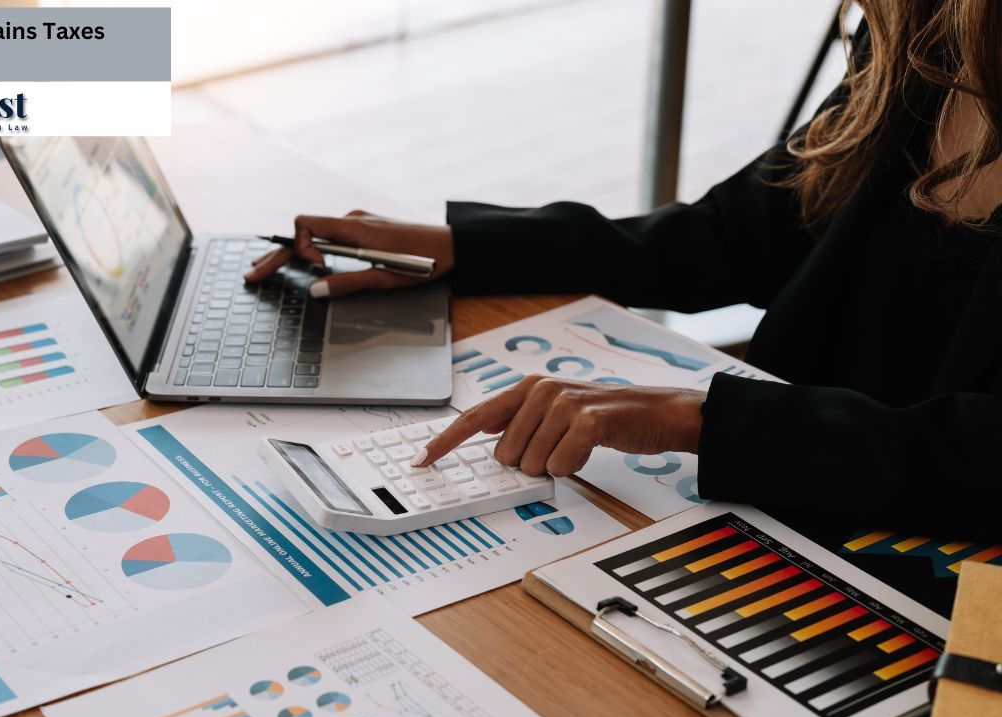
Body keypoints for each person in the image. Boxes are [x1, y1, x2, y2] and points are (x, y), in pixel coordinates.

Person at [245, 0, 1001, 541]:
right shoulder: (921, 34)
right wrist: (464, 247)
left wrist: (699, 417)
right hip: (788, 517)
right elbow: (733, 237)